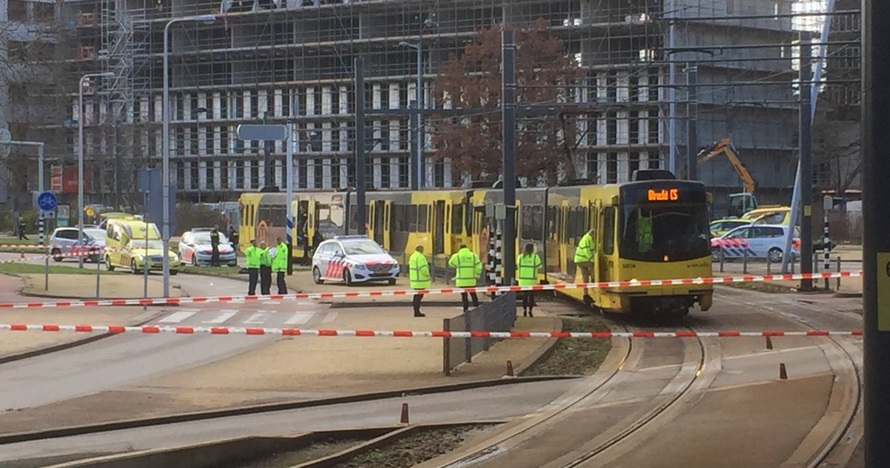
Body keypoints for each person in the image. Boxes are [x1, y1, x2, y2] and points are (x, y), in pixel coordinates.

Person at [449, 243, 483, 313]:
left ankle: (465, 309)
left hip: (461, 280)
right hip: (471, 280)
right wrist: (477, 274)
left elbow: (450, 263)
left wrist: (457, 266)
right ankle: (476, 307)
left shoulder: (457, 256)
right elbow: (479, 266)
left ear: (460, 248)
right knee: (473, 294)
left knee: (464, 296)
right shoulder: (473, 255)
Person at [517, 243, 543, 317]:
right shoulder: (535, 257)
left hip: (522, 281)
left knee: (524, 295)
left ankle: (524, 310)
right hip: (532, 280)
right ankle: (530, 311)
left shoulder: (520, 257)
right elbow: (539, 266)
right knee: (531, 296)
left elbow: (518, 265)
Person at [574, 228, 595, 305]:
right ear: (592, 234)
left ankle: (586, 295)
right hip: (582, 260)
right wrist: (592, 260)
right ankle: (594, 278)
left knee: (585, 277)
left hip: (580, 260)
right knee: (593, 265)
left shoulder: (589, 239)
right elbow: (587, 252)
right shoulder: (586, 239)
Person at [408, 244, 430, 318]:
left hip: (415, 280)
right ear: (421, 250)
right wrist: (427, 274)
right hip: (420, 280)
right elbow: (423, 268)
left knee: (417, 296)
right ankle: (417, 312)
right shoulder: (420, 257)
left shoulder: (413, 256)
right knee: (419, 296)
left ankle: (416, 311)